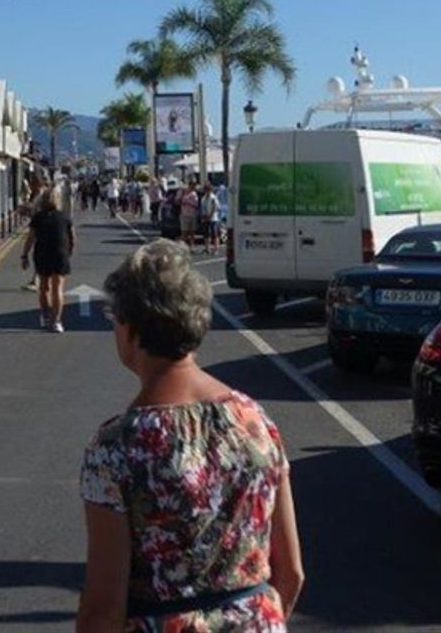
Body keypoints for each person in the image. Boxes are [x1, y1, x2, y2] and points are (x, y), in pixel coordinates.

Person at [77, 241, 303, 632]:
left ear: (131, 329)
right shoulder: (256, 421)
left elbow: (104, 608)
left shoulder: (116, 448)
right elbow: (291, 574)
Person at [20, 188, 76, 332]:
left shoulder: (38, 217)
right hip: (60, 254)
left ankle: (45, 317)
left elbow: (30, 238)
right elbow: (72, 238)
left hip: (42, 254)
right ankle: (56, 321)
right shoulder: (65, 216)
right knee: (58, 288)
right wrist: (69, 253)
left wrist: (24, 255)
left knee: (44, 287)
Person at [198, 182, 223, 255]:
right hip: (206, 218)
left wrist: (210, 215)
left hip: (213, 219)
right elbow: (202, 208)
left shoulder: (213, 198)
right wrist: (203, 216)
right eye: (205, 189)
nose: (206, 191)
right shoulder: (203, 198)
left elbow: (216, 207)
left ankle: (216, 249)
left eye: (208, 189)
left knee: (214, 234)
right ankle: (207, 248)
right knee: (206, 234)